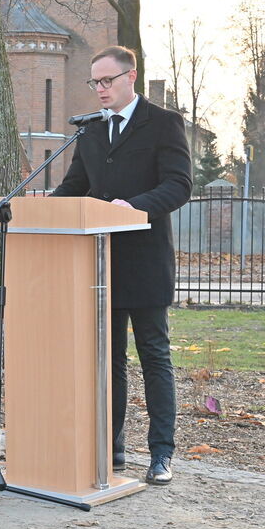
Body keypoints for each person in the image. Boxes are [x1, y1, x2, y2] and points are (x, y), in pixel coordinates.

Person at [52, 45, 192, 485]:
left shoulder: (164, 123)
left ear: (131, 77)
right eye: (94, 82)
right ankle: (110, 450)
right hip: (99, 264)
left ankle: (161, 454)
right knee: (108, 361)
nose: (100, 89)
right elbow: (77, 188)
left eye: (107, 81)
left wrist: (130, 207)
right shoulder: (91, 131)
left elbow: (178, 185)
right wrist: (43, 209)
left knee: (153, 356)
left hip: (146, 262)